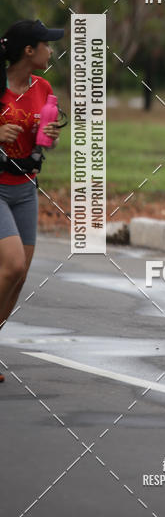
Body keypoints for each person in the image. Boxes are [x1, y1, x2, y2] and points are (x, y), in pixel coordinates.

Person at [0, 19, 64, 382]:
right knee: (10, 265)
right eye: (46, 44)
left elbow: (44, 142)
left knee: (19, 275)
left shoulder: (43, 87)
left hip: (26, 188)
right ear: (29, 51)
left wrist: (49, 136)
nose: (51, 50)